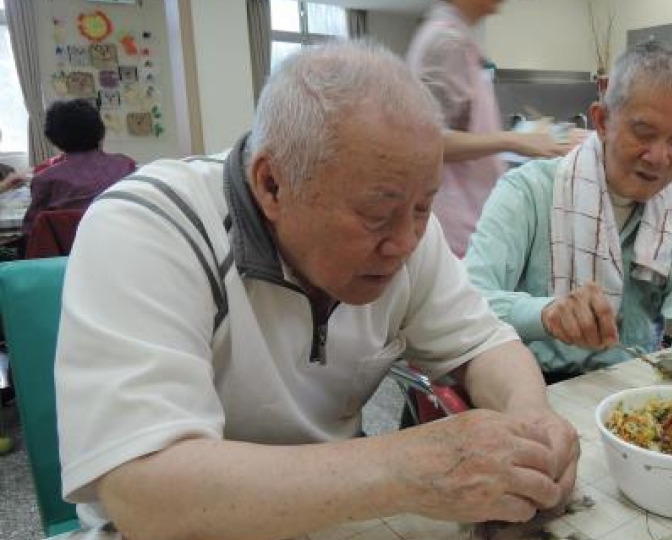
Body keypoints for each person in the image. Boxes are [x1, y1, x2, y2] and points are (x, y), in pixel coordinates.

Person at [55, 42, 578, 539]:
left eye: (424, 206)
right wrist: (407, 467)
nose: (405, 242)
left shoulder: (406, 228)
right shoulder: (149, 227)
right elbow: (144, 495)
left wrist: (532, 419)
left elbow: (484, 344)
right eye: (376, 213)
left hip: (338, 512)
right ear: (272, 184)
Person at [464, 41, 672, 396]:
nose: (658, 157)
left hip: (630, 385)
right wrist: (545, 313)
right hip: (529, 386)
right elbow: (469, 301)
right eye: (643, 133)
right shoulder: (529, 192)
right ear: (602, 120)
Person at [407, 0, 573, 257]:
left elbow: (463, 127)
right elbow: (428, 140)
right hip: (455, 232)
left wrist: (526, 135)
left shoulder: (460, 40)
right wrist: (513, 140)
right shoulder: (445, 41)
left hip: (472, 222)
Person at [21, 98, 136, 238]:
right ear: (101, 131)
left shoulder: (44, 179)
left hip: (69, 249)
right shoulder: (126, 165)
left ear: (53, 138)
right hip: (123, 240)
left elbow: (32, 229)